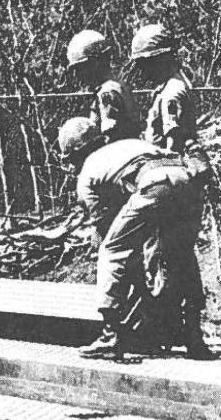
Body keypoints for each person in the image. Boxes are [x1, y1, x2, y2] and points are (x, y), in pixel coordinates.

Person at [57, 117, 200, 360]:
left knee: (111, 251)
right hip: (188, 183)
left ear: (75, 154)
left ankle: (110, 335)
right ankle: (194, 338)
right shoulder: (127, 146)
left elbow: (105, 231)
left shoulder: (88, 171)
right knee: (182, 256)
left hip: (155, 184)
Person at [129, 24, 212, 359]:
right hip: (181, 183)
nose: (142, 70)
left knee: (167, 259)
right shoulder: (172, 87)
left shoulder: (173, 93)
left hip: (173, 183)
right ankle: (188, 336)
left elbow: (172, 143)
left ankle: (173, 334)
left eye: (146, 63)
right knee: (180, 260)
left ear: (159, 59)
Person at [66, 29, 144, 143]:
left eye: (80, 68)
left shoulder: (107, 93)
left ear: (95, 62)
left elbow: (110, 136)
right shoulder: (117, 85)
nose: (78, 75)